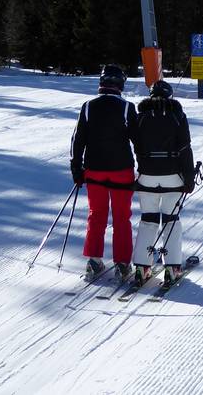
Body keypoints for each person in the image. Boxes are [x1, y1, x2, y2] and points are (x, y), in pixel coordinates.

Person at [70, 64, 138, 280]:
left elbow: (77, 140)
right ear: (120, 84)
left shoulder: (88, 107)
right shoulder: (127, 108)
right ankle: (122, 263)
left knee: (96, 214)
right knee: (122, 217)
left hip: (94, 170)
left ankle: (93, 260)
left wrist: (76, 168)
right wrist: (145, 167)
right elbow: (138, 141)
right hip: (121, 171)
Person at [131, 80, 195, 288]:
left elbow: (136, 146)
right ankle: (172, 267)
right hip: (172, 177)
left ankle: (142, 267)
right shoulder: (178, 116)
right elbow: (185, 148)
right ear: (169, 95)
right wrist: (189, 178)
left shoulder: (140, 117)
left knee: (148, 220)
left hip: (147, 176)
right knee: (171, 220)